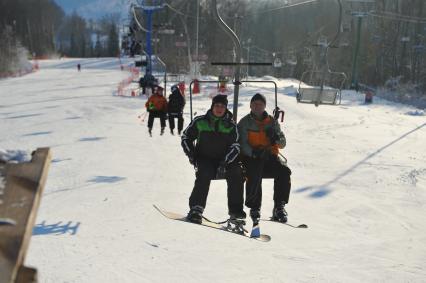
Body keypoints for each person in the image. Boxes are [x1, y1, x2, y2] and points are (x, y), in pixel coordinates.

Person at [181, 95, 246, 230]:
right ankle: (196, 209)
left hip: (225, 160)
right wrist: (191, 154)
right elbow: (186, 137)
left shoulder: (231, 126)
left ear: (226, 108)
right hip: (205, 158)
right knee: (204, 173)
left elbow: (235, 146)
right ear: (212, 106)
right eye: (217, 105)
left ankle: (236, 214)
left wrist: (225, 162)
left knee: (237, 173)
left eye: (222, 106)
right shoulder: (200, 121)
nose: (219, 109)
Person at [237, 93, 292, 223]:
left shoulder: (272, 122)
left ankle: (279, 205)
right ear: (250, 105)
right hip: (252, 157)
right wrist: (253, 153)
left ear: (264, 106)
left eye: (260, 104)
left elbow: (283, 143)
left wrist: (276, 138)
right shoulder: (245, 123)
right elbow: (242, 143)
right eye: (255, 104)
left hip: (269, 156)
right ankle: (255, 207)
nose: (257, 107)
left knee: (284, 171)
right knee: (255, 171)